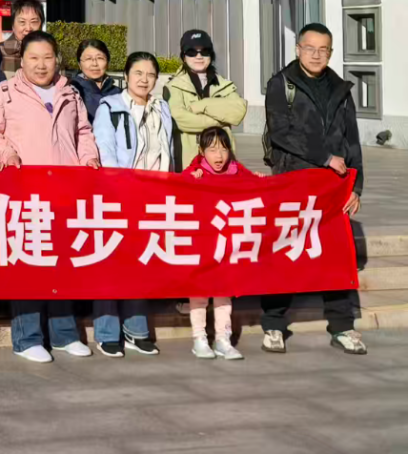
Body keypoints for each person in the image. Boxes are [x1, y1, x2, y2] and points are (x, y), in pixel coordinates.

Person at [0, 30, 100, 363]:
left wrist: (88, 158)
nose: (41, 64)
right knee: (28, 267)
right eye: (34, 58)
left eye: (47, 57)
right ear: (22, 60)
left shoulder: (70, 93)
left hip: (65, 193)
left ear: (57, 59)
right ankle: (27, 338)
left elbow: (82, 132)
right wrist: (5, 152)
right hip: (25, 194)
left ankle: (64, 334)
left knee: (62, 267)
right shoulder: (3, 92)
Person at [260, 22, 366, 356]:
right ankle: (274, 325)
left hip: (332, 187)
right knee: (285, 254)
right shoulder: (281, 84)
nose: (316, 55)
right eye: (310, 48)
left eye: (323, 49)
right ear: (298, 49)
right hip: (293, 182)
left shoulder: (340, 88)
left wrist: (356, 185)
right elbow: (280, 132)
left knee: (335, 256)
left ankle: (342, 326)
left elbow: (352, 139)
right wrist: (325, 157)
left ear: (330, 53)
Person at [91, 51, 171, 357]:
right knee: (110, 263)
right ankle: (107, 331)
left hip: (152, 199)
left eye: (150, 75)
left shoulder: (161, 107)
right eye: (138, 73)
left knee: (140, 264)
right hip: (118, 197)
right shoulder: (109, 107)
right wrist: (120, 190)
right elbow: (105, 150)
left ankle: (137, 330)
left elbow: (166, 149)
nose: (144, 80)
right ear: (126, 76)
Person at [186, 126, 251, 361]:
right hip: (202, 244)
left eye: (223, 149)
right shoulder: (195, 172)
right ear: (201, 151)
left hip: (226, 245)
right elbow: (177, 190)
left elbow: (256, 187)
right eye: (212, 150)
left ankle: (223, 339)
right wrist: (190, 180)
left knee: (224, 292)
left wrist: (262, 182)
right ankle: (199, 338)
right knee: (199, 293)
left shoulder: (237, 171)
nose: (219, 156)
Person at [165, 29, 247, 170]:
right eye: (192, 52)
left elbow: (238, 111)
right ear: (184, 57)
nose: (199, 56)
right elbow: (179, 119)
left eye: (204, 51)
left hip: (223, 163)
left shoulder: (223, 84)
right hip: (188, 163)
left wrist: (202, 105)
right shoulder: (173, 86)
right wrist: (220, 121)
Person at [0, 0, 45, 78]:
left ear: (41, 25)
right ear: (13, 25)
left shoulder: (50, 51)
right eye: (22, 22)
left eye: (34, 22)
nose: (28, 28)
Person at [70, 38, 122, 125]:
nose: (94, 64)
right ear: (79, 64)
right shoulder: (72, 91)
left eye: (100, 58)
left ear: (107, 62)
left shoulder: (119, 93)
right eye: (88, 59)